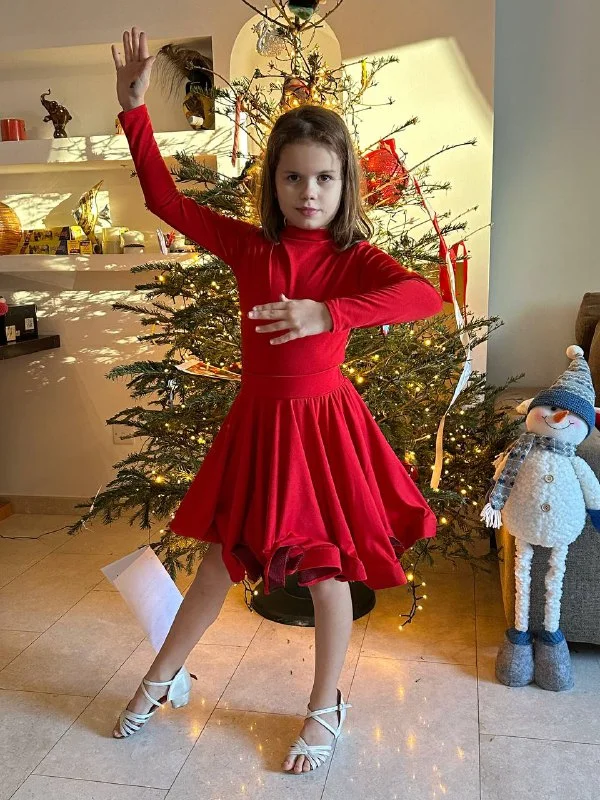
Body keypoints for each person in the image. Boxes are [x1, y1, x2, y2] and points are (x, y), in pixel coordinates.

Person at [111, 27, 443, 774]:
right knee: (217, 565)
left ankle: (326, 706)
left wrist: (330, 312)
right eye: (293, 178)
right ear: (275, 184)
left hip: (322, 431)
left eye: (323, 178)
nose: (308, 192)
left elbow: (424, 296)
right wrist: (134, 109)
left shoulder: (352, 259)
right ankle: (160, 678)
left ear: (343, 183)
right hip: (259, 426)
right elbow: (164, 199)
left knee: (326, 575)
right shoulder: (251, 249)